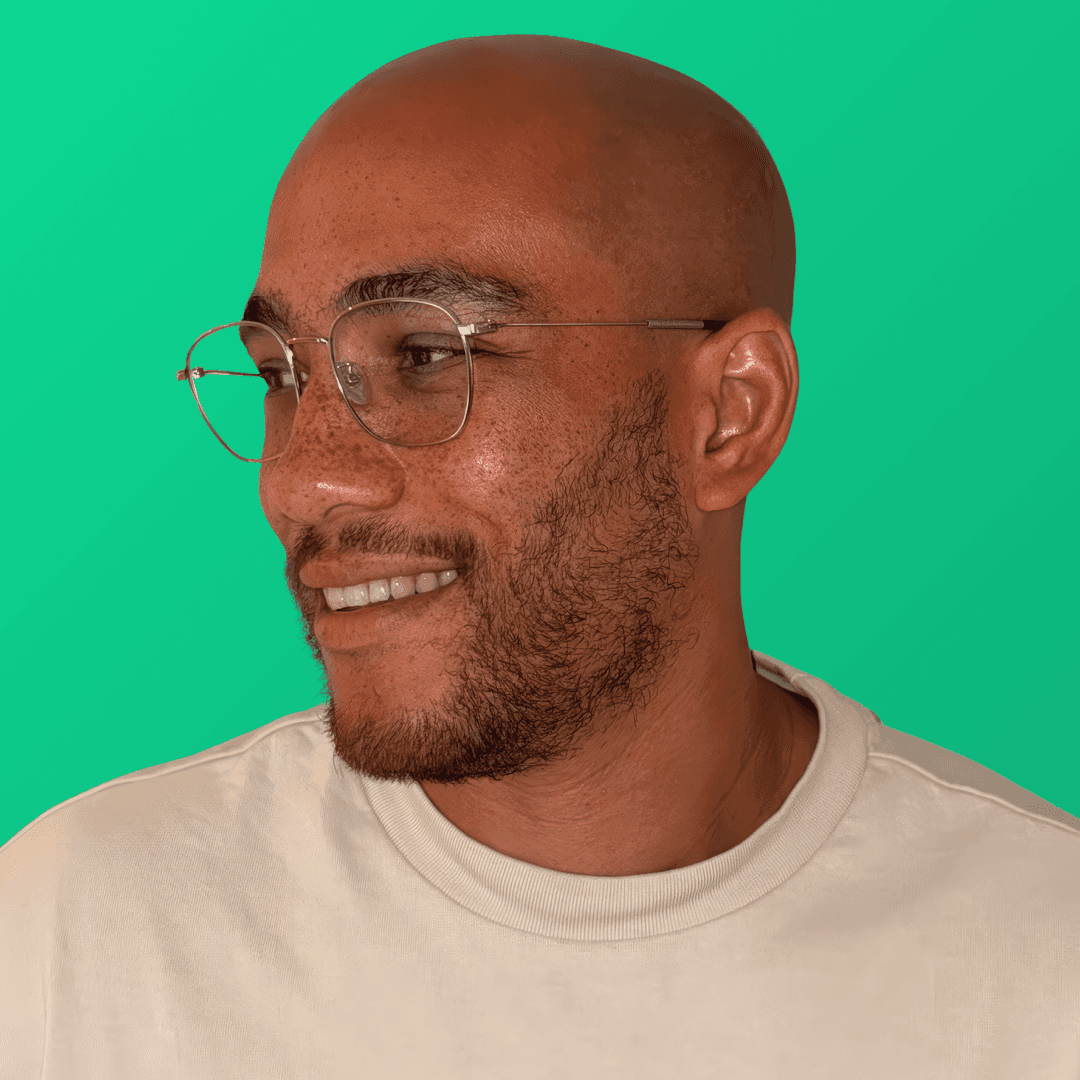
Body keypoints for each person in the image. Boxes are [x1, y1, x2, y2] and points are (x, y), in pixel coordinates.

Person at [2, 34, 1077, 1079]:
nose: (301, 482)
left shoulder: (1042, 961)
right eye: (284, 376)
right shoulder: (77, 935)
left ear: (728, 417)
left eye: (427, 355)